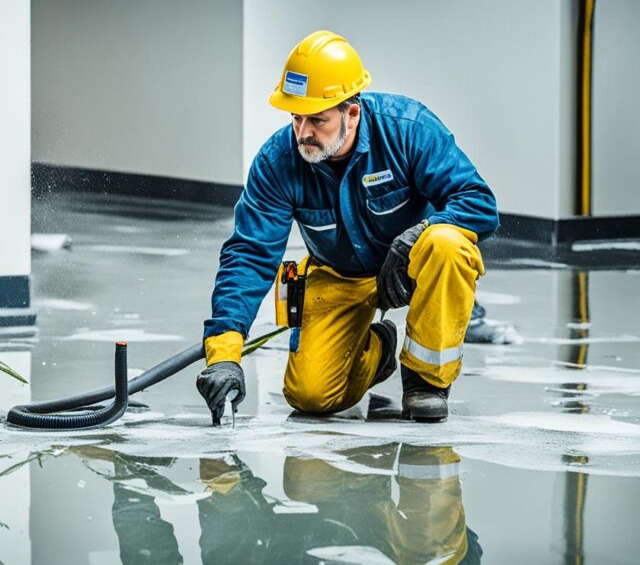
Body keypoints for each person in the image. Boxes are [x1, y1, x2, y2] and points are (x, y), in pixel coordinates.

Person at [197, 30, 498, 424]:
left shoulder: (408, 130)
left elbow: (479, 203)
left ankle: (426, 382)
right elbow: (249, 255)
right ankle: (378, 351)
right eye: (296, 117)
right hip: (340, 275)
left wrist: (415, 237)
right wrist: (224, 355)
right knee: (310, 397)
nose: (303, 132)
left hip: (413, 269)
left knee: (447, 243)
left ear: (351, 113)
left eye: (317, 119)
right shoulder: (278, 162)